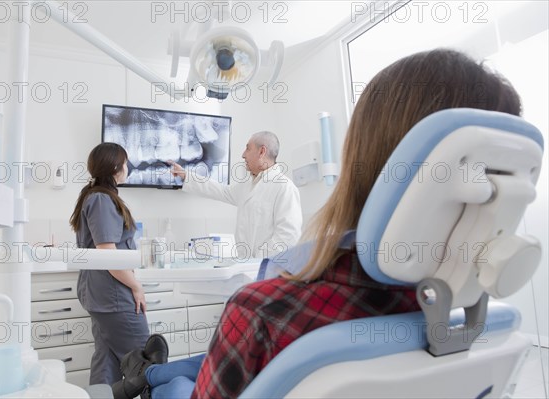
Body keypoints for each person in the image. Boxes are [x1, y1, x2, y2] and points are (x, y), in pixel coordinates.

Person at [112, 49, 523, 399]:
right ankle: (146, 369)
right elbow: (224, 194)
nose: (241, 157)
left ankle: (146, 377)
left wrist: (268, 278)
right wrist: (190, 178)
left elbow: (287, 239)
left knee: (193, 376)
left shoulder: (264, 307)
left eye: (247, 151)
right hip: (268, 289)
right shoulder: (471, 322)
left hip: (264, 283)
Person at [69, 142, 149, 385]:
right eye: (125, 162)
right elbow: (108, 255)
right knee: (145, 359)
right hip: (113, 295)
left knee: (106, 360)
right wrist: (136, 286)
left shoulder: (96, 196)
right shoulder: (102, 200)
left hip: (101, 294)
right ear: (115, 166)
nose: (127, 167)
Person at [169, 131, 302, 259]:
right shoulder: (248, 186)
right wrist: (186, 175)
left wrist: (259, 260)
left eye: (248, 149)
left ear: (262, 151)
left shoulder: (284, 187)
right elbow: (221, 191)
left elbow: (289, 236)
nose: (243, 155)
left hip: (267, 269)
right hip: (246, 266)